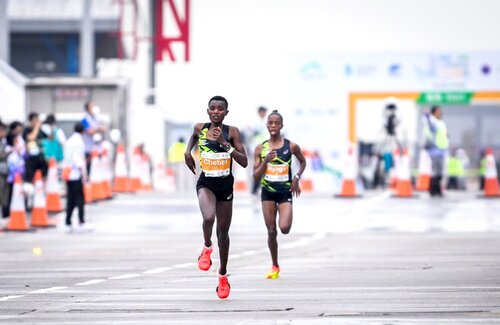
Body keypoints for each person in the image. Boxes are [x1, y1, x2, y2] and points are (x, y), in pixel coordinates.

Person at [184, 95, 248, 299]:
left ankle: (222, 276)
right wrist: (187, 153)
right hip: (206, 183)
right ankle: (206, 247)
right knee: (208, 217)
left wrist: (224, 144)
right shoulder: (199, 128)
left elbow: (245, 161)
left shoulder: (232, 132)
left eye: (220, 109)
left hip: (225, 185)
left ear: (226, 113)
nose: (216, 112)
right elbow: (194, 138)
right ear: (208, 111)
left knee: (223, 234)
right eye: (213, 108)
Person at [253, 110, 306, 279]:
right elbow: (255, 175)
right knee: (271, 231)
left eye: (277, 123)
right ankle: (275, 265)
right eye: (271, 123)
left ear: (281, 125)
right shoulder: (261, 148)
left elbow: (303, 162)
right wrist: (266, 161)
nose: (273, 126)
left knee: (284, 228)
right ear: (267, 125)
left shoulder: (291, 146)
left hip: (285, 192)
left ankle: (286, 214)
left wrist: (297, 177)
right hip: (267, 192)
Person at [63, 122, 89, 233]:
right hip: (75, 173)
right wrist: (83, 172)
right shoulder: (79, 142)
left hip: (68, 173)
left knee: (71, 198)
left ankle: (68, 221)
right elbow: (77, 158)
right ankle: (81, 220)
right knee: (79, 198)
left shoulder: (70, 140)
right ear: (83, 131)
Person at [423, 105, 449, 197]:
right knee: (435, 171)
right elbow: (431, 130)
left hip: (441, 149)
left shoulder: (441, 122)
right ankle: (433, 190)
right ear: (434, 112)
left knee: (440, 171)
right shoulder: (432, 121)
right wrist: (428, 117)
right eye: (438, 111)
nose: (440, 113)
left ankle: (437, 190)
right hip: (435, 149)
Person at [81, 101, 106, 175]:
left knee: (99, 167)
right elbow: (90, 131)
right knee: (89, 167)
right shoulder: (84, 119)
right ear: (88, 108)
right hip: (88, 148)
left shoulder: (98, 118)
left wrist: (99, 129)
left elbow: (104, 128)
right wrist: (98, 129)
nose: (94, 108)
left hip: (98, 147)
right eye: (92, 106)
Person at [22, 112, 48, 182]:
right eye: (35, 120)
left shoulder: (41, 131)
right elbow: (31, 138)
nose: (37, 122)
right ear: (31, 121)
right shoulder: (27, 130)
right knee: (30, 179)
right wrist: (36, 127)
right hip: (31, 159)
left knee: (42, 178)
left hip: (41, 158)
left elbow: (49, 138)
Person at [251, 106, 268, 195]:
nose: (263, 114)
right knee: (257, 168)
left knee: (265, 169)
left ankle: (262, 188)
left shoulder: (267, 122)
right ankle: (254, 189)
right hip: (258, 148)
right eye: (262, 112)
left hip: (266, 148)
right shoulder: (256, 123)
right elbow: (253, 136)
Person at [0, 121, 10, 224]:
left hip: (5, 171)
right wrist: (9, 152)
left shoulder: (4, 141)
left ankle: (3, 216)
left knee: (4, 196)